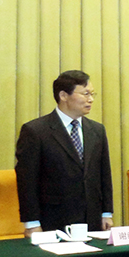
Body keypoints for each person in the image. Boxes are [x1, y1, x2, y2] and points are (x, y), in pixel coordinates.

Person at [15, 70, 113, 236]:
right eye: (85, 94)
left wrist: (106, 213)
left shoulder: (97, 130)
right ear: (63, 95)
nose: (91, 99)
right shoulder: (35, 131)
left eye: (92, 94)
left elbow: (104, 174)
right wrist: (32, 223)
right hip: (53, 220)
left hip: (92, 219)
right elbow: (27, 182)